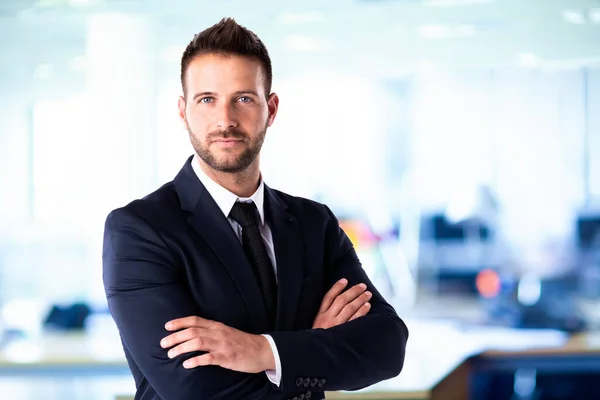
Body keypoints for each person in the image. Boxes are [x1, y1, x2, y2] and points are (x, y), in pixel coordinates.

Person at [102, 17, 408, 400]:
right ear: (183, 112)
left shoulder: (315, 224)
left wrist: (262, 352)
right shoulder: (139, 230)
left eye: (243, 98)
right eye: (207, 100)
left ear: (272, 108)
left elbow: (387, 346)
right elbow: (193, 389)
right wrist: (310, 347)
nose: (225, 120)